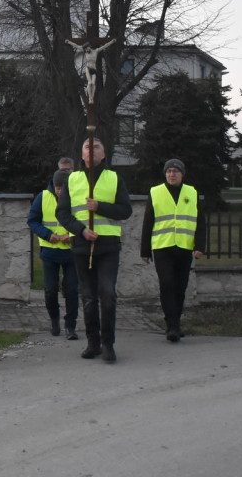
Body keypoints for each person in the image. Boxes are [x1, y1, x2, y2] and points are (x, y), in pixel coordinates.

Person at [56, 138, 132, 363]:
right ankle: (93, 343)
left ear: (103, 153)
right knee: (88, 297)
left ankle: (108, 344)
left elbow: (125, 210)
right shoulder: (73, 179)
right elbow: (63, 213)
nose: (92, 150)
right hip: (81, 246)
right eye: (87, 147)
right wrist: (81, 231)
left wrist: (100, 207)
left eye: (96, 146)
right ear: (82, 155)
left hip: (108, 246)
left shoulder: (114, 178)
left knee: (107, 294)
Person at [141, 159, 206, 342]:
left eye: (175, 171)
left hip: (184, 247)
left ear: (182, 174)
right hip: (162, 246)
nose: (171, 174)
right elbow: (148, 221)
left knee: (180, 287)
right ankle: (172, 325)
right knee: (167, 284)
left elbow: (200, 222)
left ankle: (175, 322)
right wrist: (145, 250)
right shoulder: (156, 192)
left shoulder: (191, 193)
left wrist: (199, 246)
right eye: (168, 171)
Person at [28, 169, 79, 339]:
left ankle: (70, 326)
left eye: (63, 188)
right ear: (53, 185)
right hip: (49, 252)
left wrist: (71, 236)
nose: (60, 191)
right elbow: (32, 221)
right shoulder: (42, 197)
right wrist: (48, 235)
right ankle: (54, 321)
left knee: (71, 290)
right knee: (50, 290)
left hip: (72, 253)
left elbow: (84, 221)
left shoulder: (76, 198)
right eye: (57, 188)